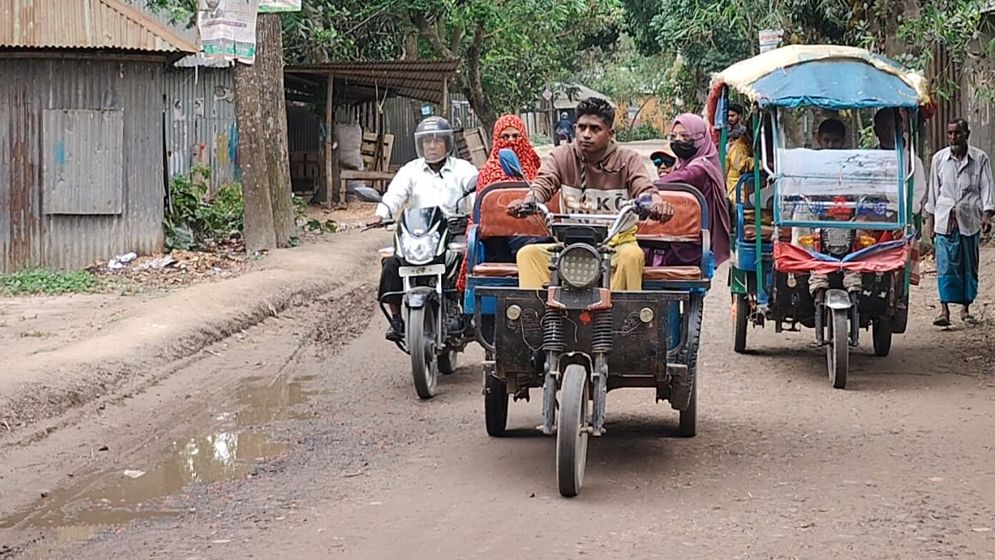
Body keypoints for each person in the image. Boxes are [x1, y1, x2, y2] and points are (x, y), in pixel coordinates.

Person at [507, 97, 675, 290]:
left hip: (617, 244)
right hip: (568, 244)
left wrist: (655, 203)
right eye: (582, 127)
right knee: (528, 254)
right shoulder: (562, 156)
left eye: (595, 129)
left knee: (632, 256)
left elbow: (645, 188)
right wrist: (529, 201)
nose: (586, 134)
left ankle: (622, 318)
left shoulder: (627, 160)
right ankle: (539, 318)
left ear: (610, 133)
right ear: (575, 128)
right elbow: (544, 182)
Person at [367, 116, 479, 341]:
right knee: (391, 263)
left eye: (437, 141)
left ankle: (465, 314)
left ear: (447, 143)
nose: (432, 146)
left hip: (453, 230)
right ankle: (397, 319)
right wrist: (381, 214)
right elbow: (395, 195)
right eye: (427, 141)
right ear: (420, 144)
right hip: (417, 232)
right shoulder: (411, 170)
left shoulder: (463, 169)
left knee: (470, 257)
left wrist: (479, 210)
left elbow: (476, 192)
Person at [455, 114, 543, 292]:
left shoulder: (536, 166)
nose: (511, 141)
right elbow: (484, 210)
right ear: (497, 139)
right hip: (499, 238)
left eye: (515, 136)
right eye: (505, 137)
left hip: (534, 230)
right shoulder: (490, 170)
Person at [925, 118, 994, 327]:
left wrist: (987, 215)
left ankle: (966, 309)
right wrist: (931, 221)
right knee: (945, 265)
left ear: (967, 134)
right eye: (950, 133)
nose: (953, 137)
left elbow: (986, 187)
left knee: (968, 265)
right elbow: (933, 193)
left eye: (957, 133)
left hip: (969, 218)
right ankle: (944, 310)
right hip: (945, 219)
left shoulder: (980, 159)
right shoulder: (939, 159)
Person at [656, 113, 733, 266]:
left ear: (701, 139)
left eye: (685, 137)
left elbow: (675, 180)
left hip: (692, 243)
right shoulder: (681, 165)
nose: (678, 141)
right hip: (679, 234)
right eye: (674, 136)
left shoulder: (700, 168)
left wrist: (642, 186)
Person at [873, 108, 926, 217]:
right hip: (873, 219)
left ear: (901, 128)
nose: (887, 131)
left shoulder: (913, 162)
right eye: (883, 127)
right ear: (876, 131)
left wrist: (896, 212)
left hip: (901, 220)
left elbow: (915, 200)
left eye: (891, 127)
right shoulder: (868, 160)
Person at [725, 103, 754, 214]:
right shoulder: (738, 145)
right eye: (728, 116)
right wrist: (761, 164)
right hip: (736, 185)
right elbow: (741, 164)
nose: (730, 118)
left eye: (733, 116)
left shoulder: (743, 134)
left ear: (740, 116)